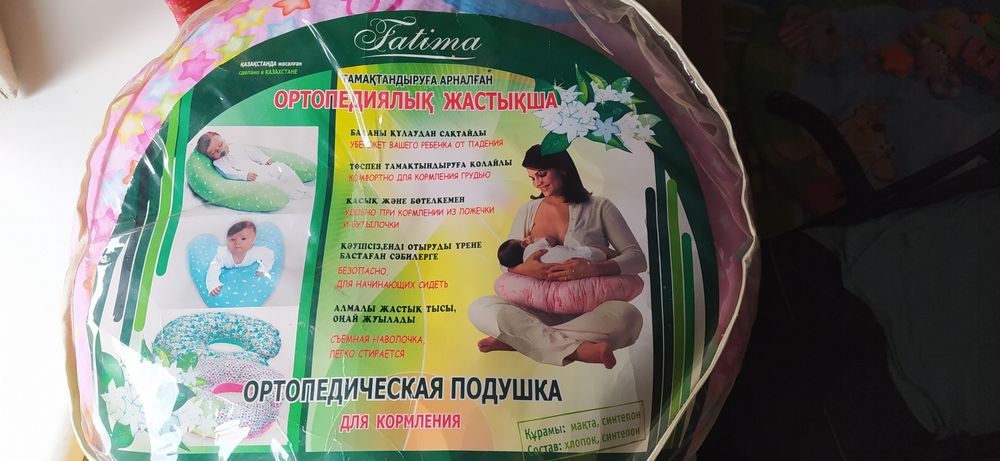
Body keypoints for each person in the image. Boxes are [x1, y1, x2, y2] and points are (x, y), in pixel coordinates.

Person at [468, 145, 647, 369]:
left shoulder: (600, 207)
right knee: (480, 308)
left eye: (542, 174)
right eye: (532, 178)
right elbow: (507, 262)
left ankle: (522, 341)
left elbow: (637, 259)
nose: (537, 183)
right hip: (533, 312)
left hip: (589, 313)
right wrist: (526, 269)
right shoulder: (528, 210)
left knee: (629, 318)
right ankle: (576, 348)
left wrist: (593, 269)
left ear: (562, 168)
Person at [195, 131, 309, 198]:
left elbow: (252, 152)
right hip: (254, 177)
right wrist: (244, 175)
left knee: (282, 167)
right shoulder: (219, 163)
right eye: (214, 152)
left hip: (262, 168)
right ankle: (291, 193)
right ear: (209, 156)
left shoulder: (236, 146)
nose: (220, 150)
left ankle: (299, 186)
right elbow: (229, 173)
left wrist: (264, 159)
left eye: (220, 144)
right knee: (272, 183)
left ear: (224, 140)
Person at [206, 221, 274, 296]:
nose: (237, 242)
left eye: (243, 238)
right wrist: (213, 284)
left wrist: (263, 269)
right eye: (232, 239)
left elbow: (269, 255)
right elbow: (213, 267)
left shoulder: (254, 252)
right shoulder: (223, 255)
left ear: (253, 240)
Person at [497, 235, 611, 269]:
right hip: (587, 255)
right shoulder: (532, 248)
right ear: (523, 244)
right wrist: (534, 240)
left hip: (572, 266)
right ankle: (618, 256)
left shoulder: (529, 266)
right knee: (598, 248)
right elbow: (551, 240)